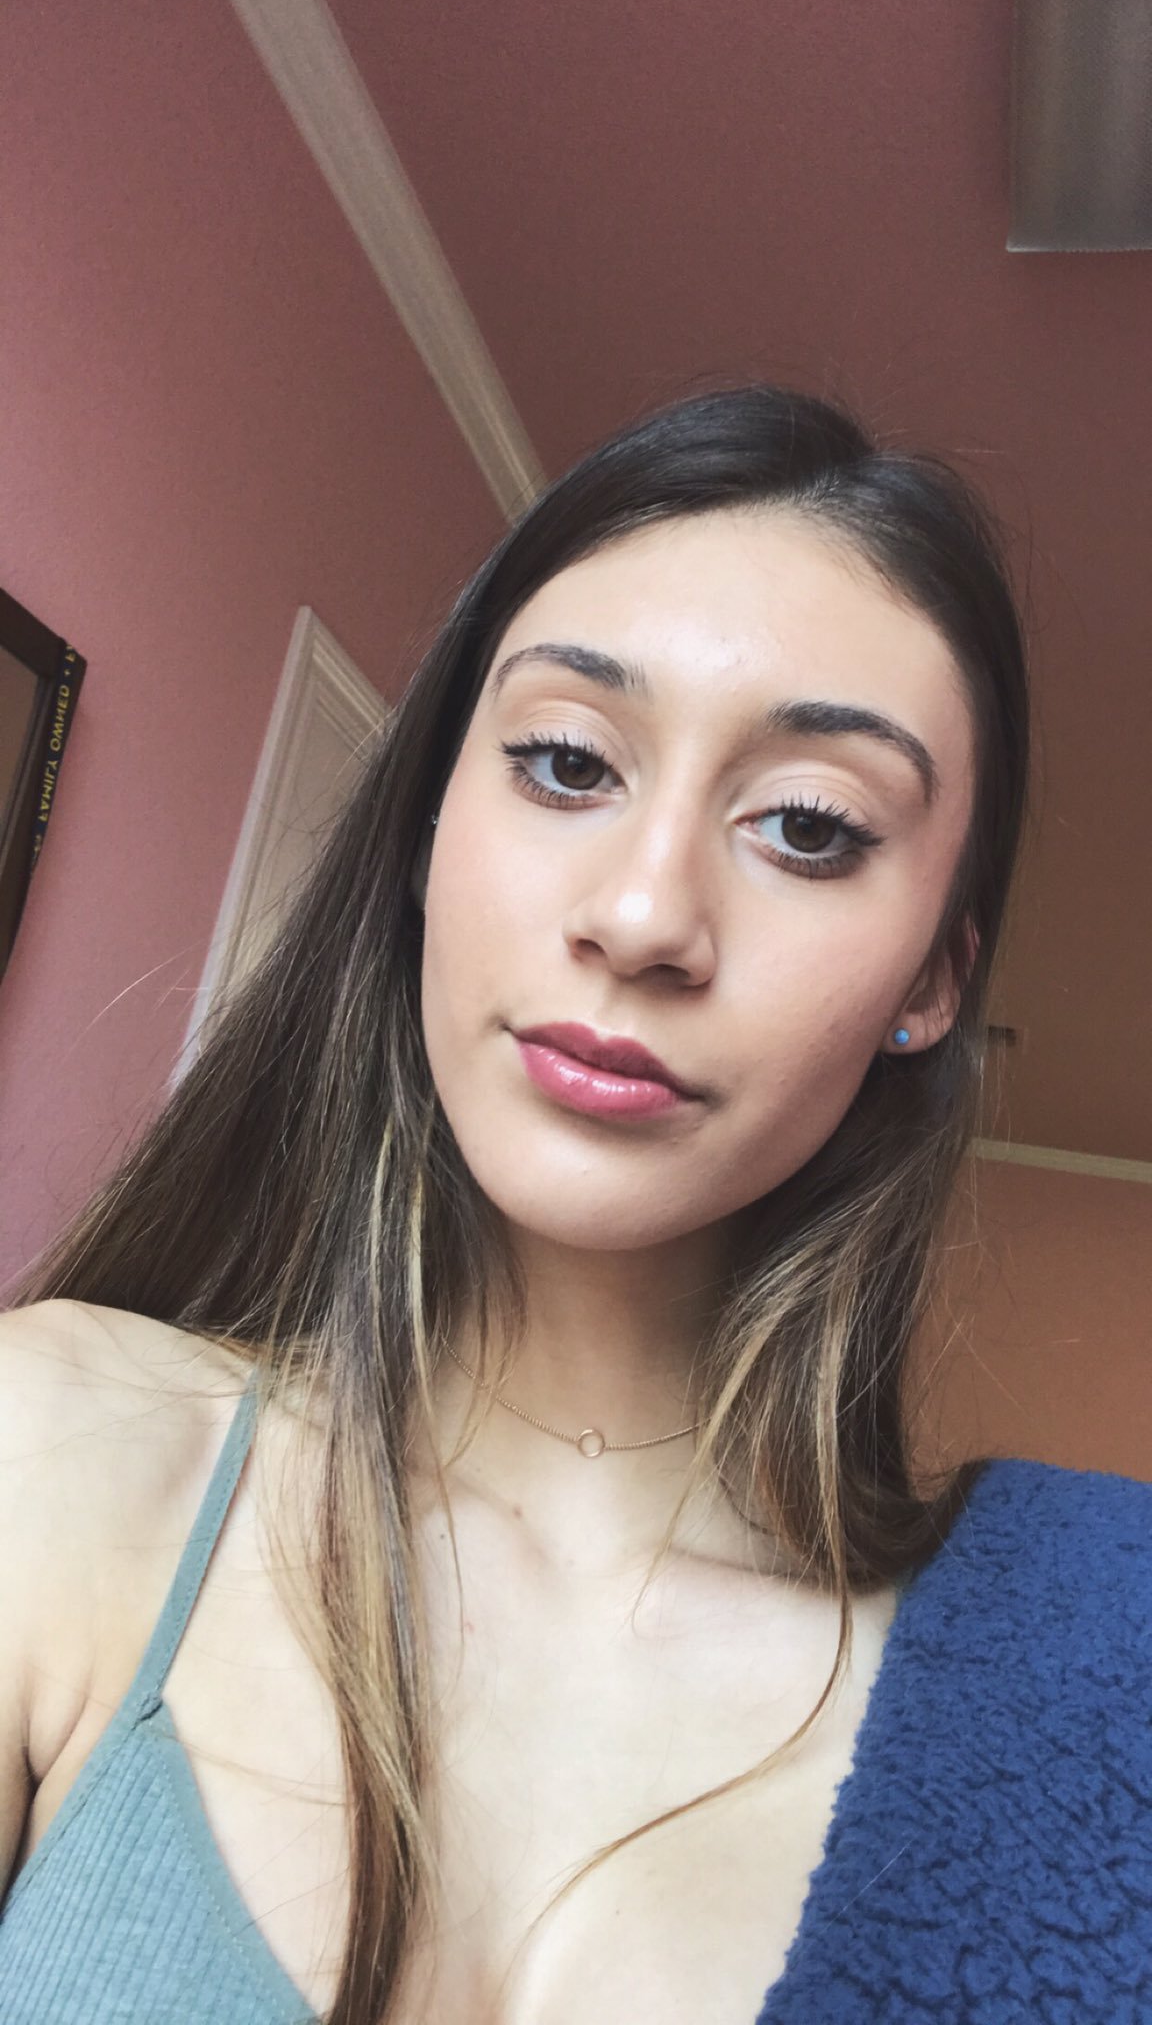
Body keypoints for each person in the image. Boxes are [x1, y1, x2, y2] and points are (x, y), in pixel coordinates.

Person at [0, 384, 1148, 2025]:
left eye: (808, 828)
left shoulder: (1087, 1685)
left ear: (929, 983)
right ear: (427, 831)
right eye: (564, 762)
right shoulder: (51, 1449)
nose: (644, 913)